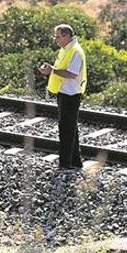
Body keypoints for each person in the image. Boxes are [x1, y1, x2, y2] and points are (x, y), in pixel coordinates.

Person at [38, 24, 88, 170]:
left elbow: (72, 74)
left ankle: (65, 163)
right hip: (64, 93)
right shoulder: (65, 50)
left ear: (67, 36)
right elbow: (61, 70)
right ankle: (75, 161)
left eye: (58, 36)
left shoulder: (75, 51)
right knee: (70, 128)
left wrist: (52, 70)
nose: (56, 39)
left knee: (66, 129)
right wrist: (49, 71)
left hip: (71, 94)